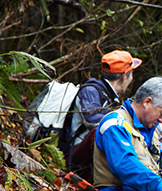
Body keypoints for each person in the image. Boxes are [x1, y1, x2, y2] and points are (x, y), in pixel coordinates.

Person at [60, 50, 141, 181]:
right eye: (132, 74)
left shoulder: (110, 95)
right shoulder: (90, 90)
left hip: (89, 155)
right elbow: (91, 120)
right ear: (124, 75)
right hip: (71, 153)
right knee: (99, 132)